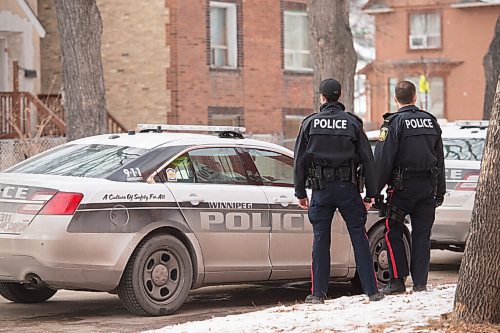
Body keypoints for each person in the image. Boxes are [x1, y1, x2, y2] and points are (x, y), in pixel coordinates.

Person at [294, 78, 384, 304]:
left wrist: (300, 193)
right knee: (359, 238)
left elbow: (299, 161)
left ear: (322, 97)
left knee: (321, 241)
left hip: (321, 190)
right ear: (339, 96)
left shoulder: (310, 124)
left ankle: (318, 294)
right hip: (348, 189)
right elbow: (368, 160)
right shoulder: (352, 124)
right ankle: (372, 291)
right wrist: (371, 194)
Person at [374, 80, 445, 294]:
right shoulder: (431, 122)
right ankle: (420, 283)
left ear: (396, 99)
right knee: (422, 236)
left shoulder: (393, 123)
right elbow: (440, 159)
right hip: (426, 189)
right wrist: (439, 190)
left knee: (393, 232)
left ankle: (396, 281)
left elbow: (383, 160)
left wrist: (375, 191)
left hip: (401, 189)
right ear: (415, 97)